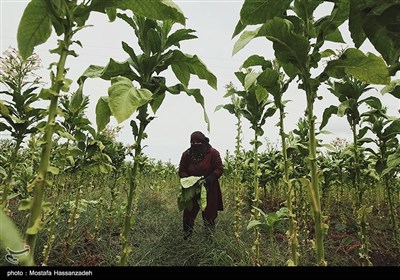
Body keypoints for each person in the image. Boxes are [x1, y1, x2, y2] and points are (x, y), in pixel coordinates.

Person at [178, 131, 224, 240]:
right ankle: (187, 237)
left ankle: (209, 239)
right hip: (191, 188)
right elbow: (182, 170)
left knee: (209, 214)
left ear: (203, 141)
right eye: (192, 142)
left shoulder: (213, 153)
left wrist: (209, 179)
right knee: (189, 214)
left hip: (209, 187)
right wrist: (189, 180)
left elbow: (219, 169)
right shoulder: (187, 154)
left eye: (198, 142)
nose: (195, 144)